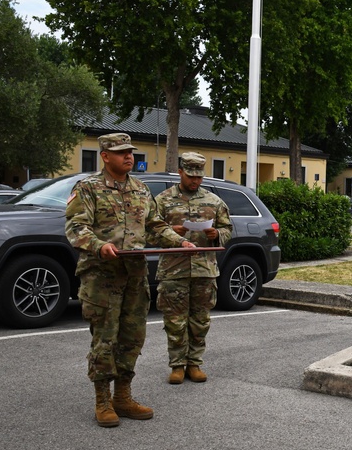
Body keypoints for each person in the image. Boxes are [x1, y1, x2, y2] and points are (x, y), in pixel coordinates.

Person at [66, 133, 196, 428]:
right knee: (105, 339)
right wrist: (100, 246)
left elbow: (155, 225)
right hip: (102, 276)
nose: (129, 156)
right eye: (121, 152)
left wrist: (179, 241)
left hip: (134, 275)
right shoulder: (88, 188)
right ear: (105, 156)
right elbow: (76, 227)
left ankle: (122, 397)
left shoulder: (140, 189)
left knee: (132, 337)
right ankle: (102, 400)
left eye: (131, 152)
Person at [155, 152, 233, 384]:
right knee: (175, 320)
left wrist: (217, 234)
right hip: (173, 269)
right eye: (191, 176)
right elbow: (149, 231)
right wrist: (170, 233)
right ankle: (177, 365)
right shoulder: (162, 200)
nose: (195, 181)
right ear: (180, 172)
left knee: (200, 320)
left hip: (204, 269)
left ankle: (195, 363)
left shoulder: (214, 201)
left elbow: (228, 229)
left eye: (199, 177)